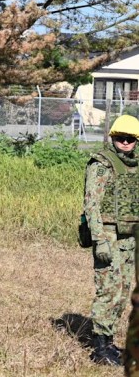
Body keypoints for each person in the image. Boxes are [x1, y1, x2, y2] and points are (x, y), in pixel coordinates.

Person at [84, 114, 139, 366]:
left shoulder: (136, 165)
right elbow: (92, 205)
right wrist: (100, 240)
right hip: (108, 234)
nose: (125, 143)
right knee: (109, 290)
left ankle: (108, 341)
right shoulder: (101, 163)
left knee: (123, 290)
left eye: (130, 139)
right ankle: (99, 347)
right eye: (121, 138)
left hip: (130, 237)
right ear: (113, 138)